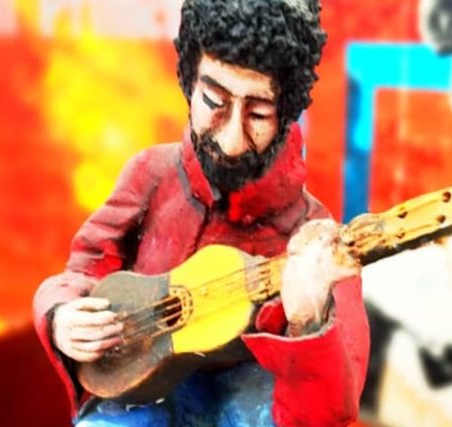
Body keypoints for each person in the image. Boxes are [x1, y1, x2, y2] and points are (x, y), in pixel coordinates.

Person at [32, 1, 370, 426]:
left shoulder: (313, 237)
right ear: (188, 84)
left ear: (286, 116)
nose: (231, 141)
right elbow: (87, 266)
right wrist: (61, 314)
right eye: (214, 101)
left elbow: (333, 406)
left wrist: (309, 322)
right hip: (144, 387)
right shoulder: (151, 174)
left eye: (258, 114)